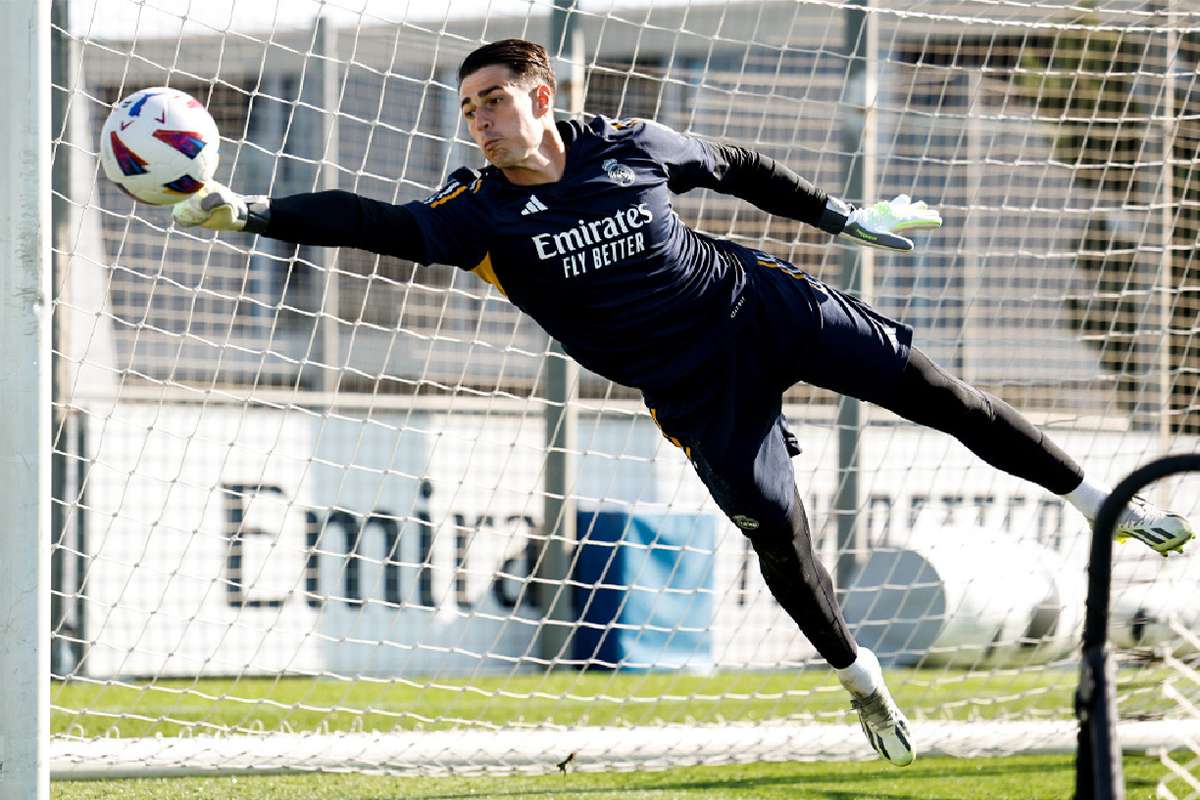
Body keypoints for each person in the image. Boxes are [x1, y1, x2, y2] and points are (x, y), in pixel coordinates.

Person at [172, 38, 1194, 767]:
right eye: (468, 107)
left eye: (492, 98)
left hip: (764, 305)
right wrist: (252, 212)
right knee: (781, 537)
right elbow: (370, 222)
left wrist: (841, 215)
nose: (479, 118)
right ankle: (857, 673)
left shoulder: (628, 143)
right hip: (698, 388)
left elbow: (737, 164)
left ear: (543, 91)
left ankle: (1105, 502)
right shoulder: (476, 211)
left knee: (939, 393)